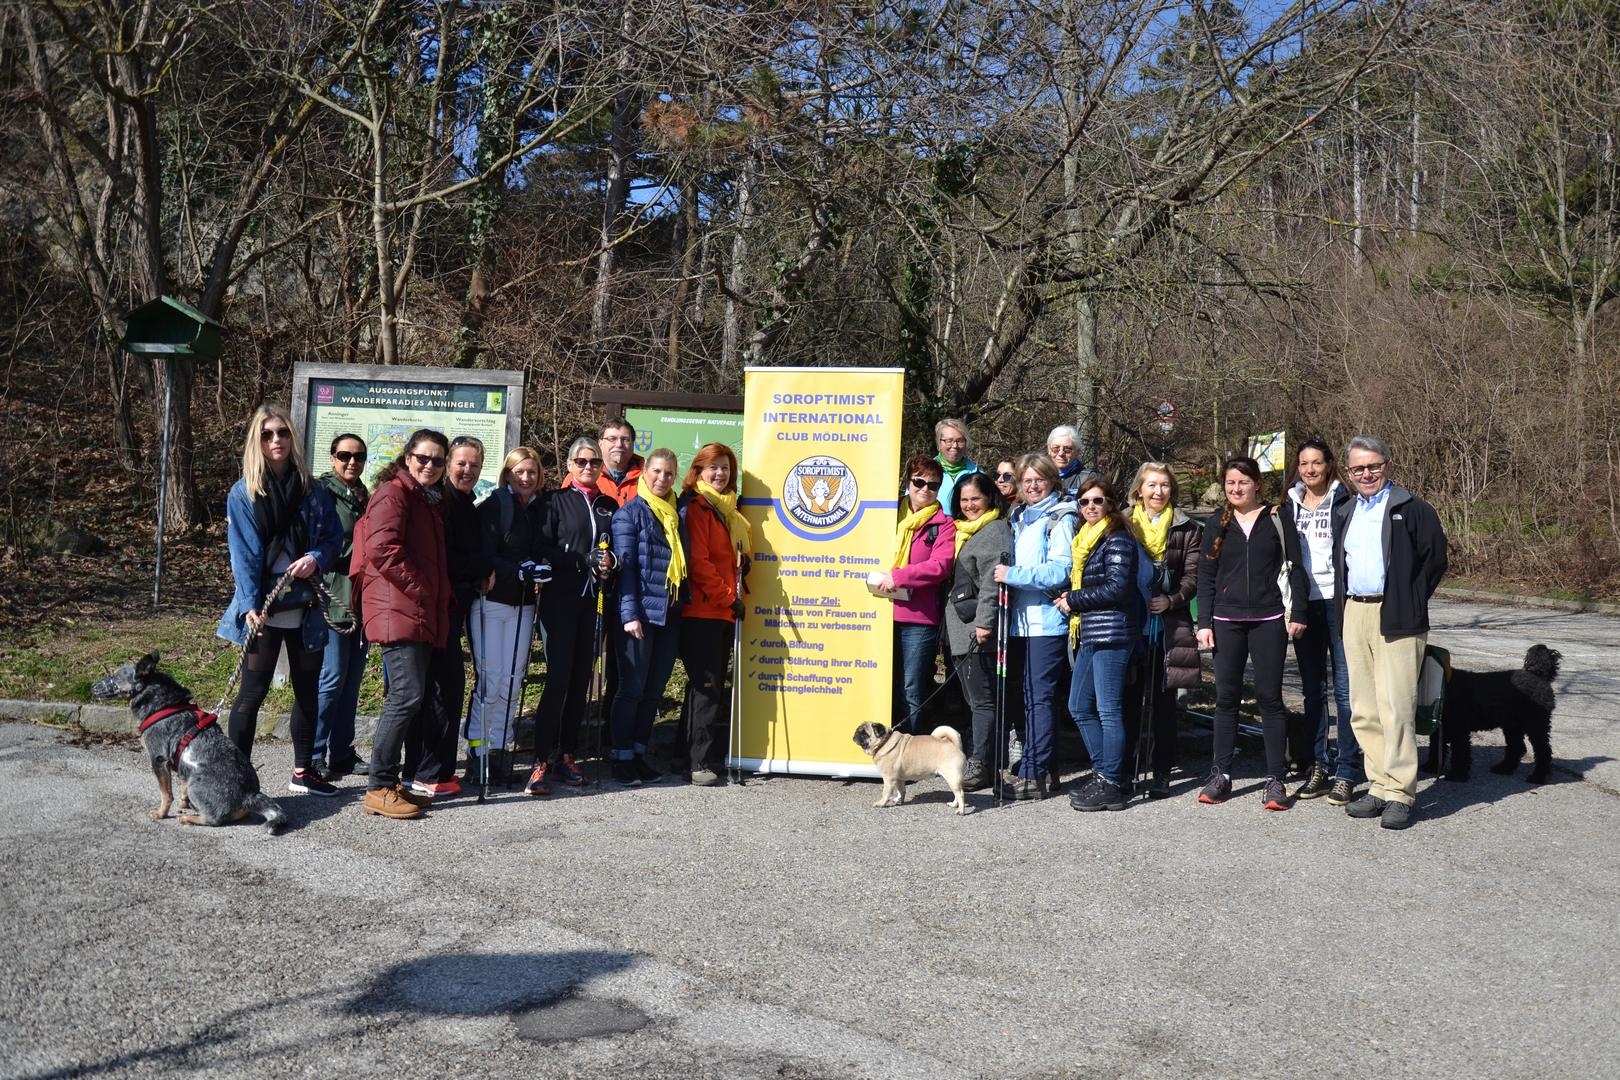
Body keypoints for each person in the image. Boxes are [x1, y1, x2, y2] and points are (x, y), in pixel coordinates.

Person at [216, 404, 341, 797]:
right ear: (257, 439)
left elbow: (333, 539)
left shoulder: (314, 489)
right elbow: (244, 553)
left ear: (292, 438)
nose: (276, 441)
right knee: (252, 692)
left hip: (305, 604)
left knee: (307, 690)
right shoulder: (245, 492)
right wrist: (250, 604)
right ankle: (237, 779)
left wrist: (315, 558)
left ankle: (304, 771)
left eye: (283, 433)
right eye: (268, 434)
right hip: (264, 607)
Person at [1332, 435, 1447, 830]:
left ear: (1387, 465)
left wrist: (1410, 598)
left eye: (1373, 466)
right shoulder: (1346, 511)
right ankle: (1379, 785)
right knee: (1363, 708)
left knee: (1397, 706)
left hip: (1397, 614)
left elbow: (1435, 559)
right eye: (1358, 468)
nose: (1366, 473)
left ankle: (1400, 792)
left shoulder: (1412, 509)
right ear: (1348, 473)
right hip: (1354, 611)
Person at [1194, 456, 1309, 810]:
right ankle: (1221, 775)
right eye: (1230, 483)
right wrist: (1203, 624)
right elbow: (1206, 576)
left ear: (1257, 484)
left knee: (1269, 698)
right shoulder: (1217, 523)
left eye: (1243, 482)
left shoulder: (1277, 518)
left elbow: (1296, 567)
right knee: (1226, 698)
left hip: (1268, 618)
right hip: (1226, 622)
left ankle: (1276, 779)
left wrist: (1299, 611)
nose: (1236, 489)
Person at [350, 429, 453, 820]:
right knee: (406, 696)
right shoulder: (394, 494)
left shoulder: (422, 499)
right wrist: (422, 588)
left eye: (437, 460)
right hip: (400, 608)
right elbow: (382, 548)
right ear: (408, 457)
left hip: (411, 609)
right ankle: (378, 787)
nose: (429, 465)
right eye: (423, 458)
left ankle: (390, 783)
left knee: (411, 695)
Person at [528, 436, 619, 795]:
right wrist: (580, 560)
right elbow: (542, 547)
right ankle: (540, 759)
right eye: (581, 462)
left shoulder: (608, 505)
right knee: (558, 678)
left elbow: (618, 548)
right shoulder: (555, 501)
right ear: (569, 465)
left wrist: (612, 562)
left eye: (594, 462)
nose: (587, 467)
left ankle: (567, 754)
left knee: (582, 679)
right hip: (561, 599)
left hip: (594, 601)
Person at [405, 434, 492, 797]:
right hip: (438, 609)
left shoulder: (468, 504)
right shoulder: (441, 505)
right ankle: (425, 771)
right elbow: (449, 560)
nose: (467, 470)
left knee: (445, 687)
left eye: (474, 465)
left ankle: (433, 768)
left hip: (455, 607)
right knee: (438, 689)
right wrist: (478, 573)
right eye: (461, 463)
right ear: (448, 465)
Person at [1056, 476, 1146, 812]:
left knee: (1108, 709)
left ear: (1110, 503)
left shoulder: (1118, 538)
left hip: (1113, 634)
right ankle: (1105, 772)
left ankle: (1111, 781)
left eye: (1098, 500)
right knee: (1078, 706)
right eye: (1084, 502)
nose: (1091, 507)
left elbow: (1117, 588)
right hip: (1091, 631)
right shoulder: (1086, 540)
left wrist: (1073, 600)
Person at [991, 454, 1077, 800]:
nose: (1032, 485)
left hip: (1046, 622)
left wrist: (1014, 576)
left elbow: (1060, 571)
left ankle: (1034, 773)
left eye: (1039, 479)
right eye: (1026, 480)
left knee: (1040, 700)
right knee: (1026, 699)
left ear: (1052, 481)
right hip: (1017, 625)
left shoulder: (1060, 518)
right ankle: (1044, 767)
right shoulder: (1018, 516)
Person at [1284, 438, 1361, 804]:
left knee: (1345, 691)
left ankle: (1347, 768)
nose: (1309, 469)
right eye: (1303, 464)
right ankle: (1319, 765)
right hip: (1304, 606)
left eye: (1316, 463)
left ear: (1329, 465)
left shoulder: (1345, 500)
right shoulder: (1289, 503)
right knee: (1313, 691)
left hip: (1339, 603)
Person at [1120, 462, 1201, 799]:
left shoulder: (1187, 528)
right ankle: (1122, 770)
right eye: (1151, 485)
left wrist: (1172, 600)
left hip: (1169, 626)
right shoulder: (1122, 522)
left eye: (1164, 486)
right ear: (1139, 489)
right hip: (1129, 624)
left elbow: (1194, 576)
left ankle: (1163, 770)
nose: (1158, 492)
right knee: (1126, 700)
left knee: (1164, 703)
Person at [466, 446, 545, 784]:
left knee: (513, 681)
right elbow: (484, 554)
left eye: (532, 472)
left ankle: (499, 751)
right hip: (492, 602)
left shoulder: (539, 508)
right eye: (519, 472)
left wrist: (542, 568)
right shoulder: (496, 505)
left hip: (524, 605)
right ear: (508, 474)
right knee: (492, 680)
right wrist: (518, 570)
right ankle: (478, 752)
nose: (526, 478)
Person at [608, 448, 687, 786]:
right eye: (656, 471)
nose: (662, 478)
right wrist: (629, 615)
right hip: (638, 615)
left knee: (654, 690)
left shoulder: (676, 514)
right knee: (631, 689)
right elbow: (624, 570)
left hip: (669, 613)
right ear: (645, 473)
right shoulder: (629, 515)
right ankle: (621, 757)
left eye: (669, 473)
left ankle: (639, 753)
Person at [677, 442, 751, 785]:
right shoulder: (698, 508)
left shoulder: (728, 511)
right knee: (707, 687)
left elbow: (725, 561)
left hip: (720, 611)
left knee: (704, 687)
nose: (719, 474)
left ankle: (688, 754)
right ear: (699, 472)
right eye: (713, 468)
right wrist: (727, 597)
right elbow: (700, 564)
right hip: (704, 610)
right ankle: (699, 763)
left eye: (724, 467)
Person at [873, 455, 956, 732]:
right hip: (878, 610)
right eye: (918, 481)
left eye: (933, 485)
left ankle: (912, 749)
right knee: (879, 683)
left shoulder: (943, 525)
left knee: (912, 686)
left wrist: (898, 576)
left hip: (918, 618)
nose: (924, 489)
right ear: (908, 482)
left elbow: (940, 566)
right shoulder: (887, 511)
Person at [942, 472, 1011, 790]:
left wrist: (985, 622)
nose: (969, 505)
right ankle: (982, 758)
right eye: (964, 499)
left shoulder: (994, 531)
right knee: (974, 701)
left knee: (983, 701)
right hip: (959, 629)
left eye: (976, 499)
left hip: (976, 630)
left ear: (990, 499)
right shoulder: (964, 532)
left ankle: (982, 763)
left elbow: (991, 583)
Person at [313, 432, 370, 779]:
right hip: (330, 598)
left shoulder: (364, 496)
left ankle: (342, 753)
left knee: (351, 682)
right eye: (345, 455)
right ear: (332, 457)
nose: (352, 462)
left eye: (359, 456)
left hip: (360, 601)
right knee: (331, 679)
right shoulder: (322, 494)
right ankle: (314, 753)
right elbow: (321, 543)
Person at [933, 419, 979, 510]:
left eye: (960, 441)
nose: (955, 446)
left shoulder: (977, 473)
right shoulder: (924, 473)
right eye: (949, 441)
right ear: (939, 444)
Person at [595, 418, 643, 505]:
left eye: (625, 439)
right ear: (600, 443)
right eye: (612, 439)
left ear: (633, 444)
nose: (619, 444)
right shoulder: (582, 475)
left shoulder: (647, 477)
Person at [1046, 425, 1087, 497]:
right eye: (1056, 448)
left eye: (1067, 449)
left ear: (1077, 452)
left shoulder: (1089, 478)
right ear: (1049, 450)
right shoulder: (1041, 477)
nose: (1061, 453)